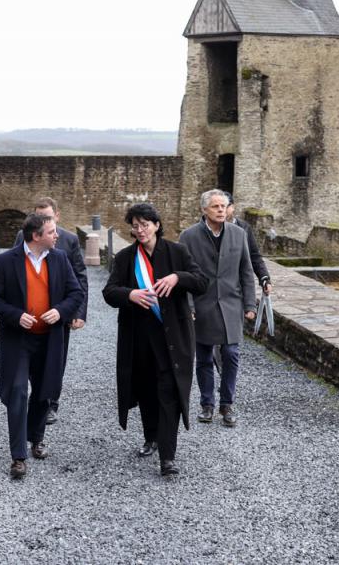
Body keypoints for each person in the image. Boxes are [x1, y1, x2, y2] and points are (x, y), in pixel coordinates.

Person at [102, 203, 208, 477]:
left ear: (156, 225)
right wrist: (130, 295)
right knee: (147, 391)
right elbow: (109, 292)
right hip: (139, 338)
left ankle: (167, 457)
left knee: (169, 393)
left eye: (144, 224)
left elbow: (201, 281)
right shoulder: (126, 257)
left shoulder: (177, 252)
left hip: (172, 337)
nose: (139, 230)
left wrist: (177, 277)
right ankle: (151, 437)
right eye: (135, 226)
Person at [0, 213, 85, 479]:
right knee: (17, 391)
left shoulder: (60, 259)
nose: (57, 236)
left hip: (50, 338)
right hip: (18, 339)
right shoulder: (6, 261)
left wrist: (60, 312)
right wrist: (15, 315)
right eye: (52, 232)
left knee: (45, 391)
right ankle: (18, 456)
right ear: (36, 236)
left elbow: (76, 293)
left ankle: (36, 437)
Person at [178, 190, 271, 428]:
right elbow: (184, 276)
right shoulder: (188, 237)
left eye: (224, 206)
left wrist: (250, 304)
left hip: (231, 303)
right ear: (204, 210)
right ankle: (207, 405)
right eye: (216, 206)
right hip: (201, 304)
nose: (221, 210)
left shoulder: (239, 234)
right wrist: (187, 305)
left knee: (231, 354)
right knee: (205, 357)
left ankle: (227, 404)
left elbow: (246, 271)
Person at [12, 197, 88, 424]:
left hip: (59, 314)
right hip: (29, 316)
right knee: (32, 364)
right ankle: (37, 401)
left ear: (57, 215)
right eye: (38, 216)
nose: (43, 220)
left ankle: (51, 403)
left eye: (47, 216)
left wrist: (78, 313)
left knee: (56, 362)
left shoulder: (70, 240)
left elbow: (80, 278)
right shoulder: (21, 237)